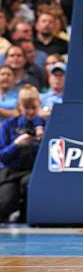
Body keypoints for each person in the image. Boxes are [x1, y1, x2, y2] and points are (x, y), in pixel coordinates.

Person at [0, 85, 44, 222]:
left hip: (34, 171)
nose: (30, 112)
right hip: (10, 172)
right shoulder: (8, 125)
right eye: (26, 108)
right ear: (19, 106)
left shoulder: (46, 125)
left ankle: (25, 215)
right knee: (4, 205)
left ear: (39, 105)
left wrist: (42, 141)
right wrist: (16, 145)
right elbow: (2, 156)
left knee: (29, 184)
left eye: (34, 107)